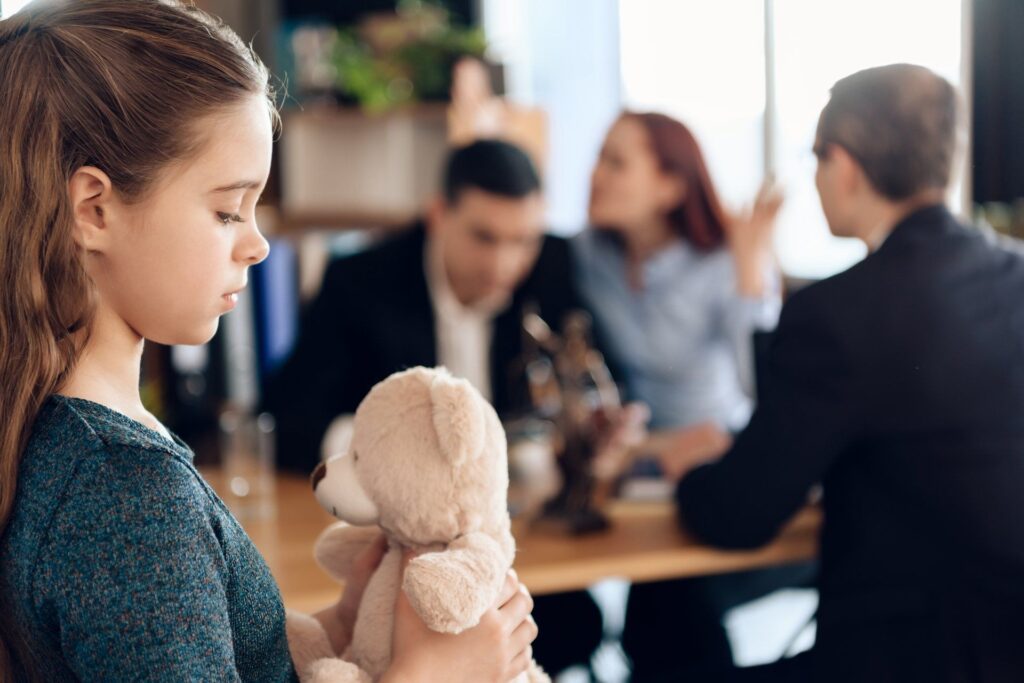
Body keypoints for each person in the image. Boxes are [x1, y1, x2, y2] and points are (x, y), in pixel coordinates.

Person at [0, 2, 536, 681]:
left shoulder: (73, 438)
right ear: (94, 209)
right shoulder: (128, 495)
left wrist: (343, 627)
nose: (256, 245)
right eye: (227, 209)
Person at [677, 63, 1024, 682]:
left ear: (843, 164)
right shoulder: (1015, 276)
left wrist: (687, 472)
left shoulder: (833, 314)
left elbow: (739, 515)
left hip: (907, 659)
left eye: (815, 160)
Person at [567, 111, 809, 680]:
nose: (595, 175)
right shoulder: (588, 255)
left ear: (672, 186)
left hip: (711, 458)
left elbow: (763, 389)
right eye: (599, 156)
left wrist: (753, 270)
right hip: (632, 460)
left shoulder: (724, 261)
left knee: (667, 617)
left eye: (616, 161)